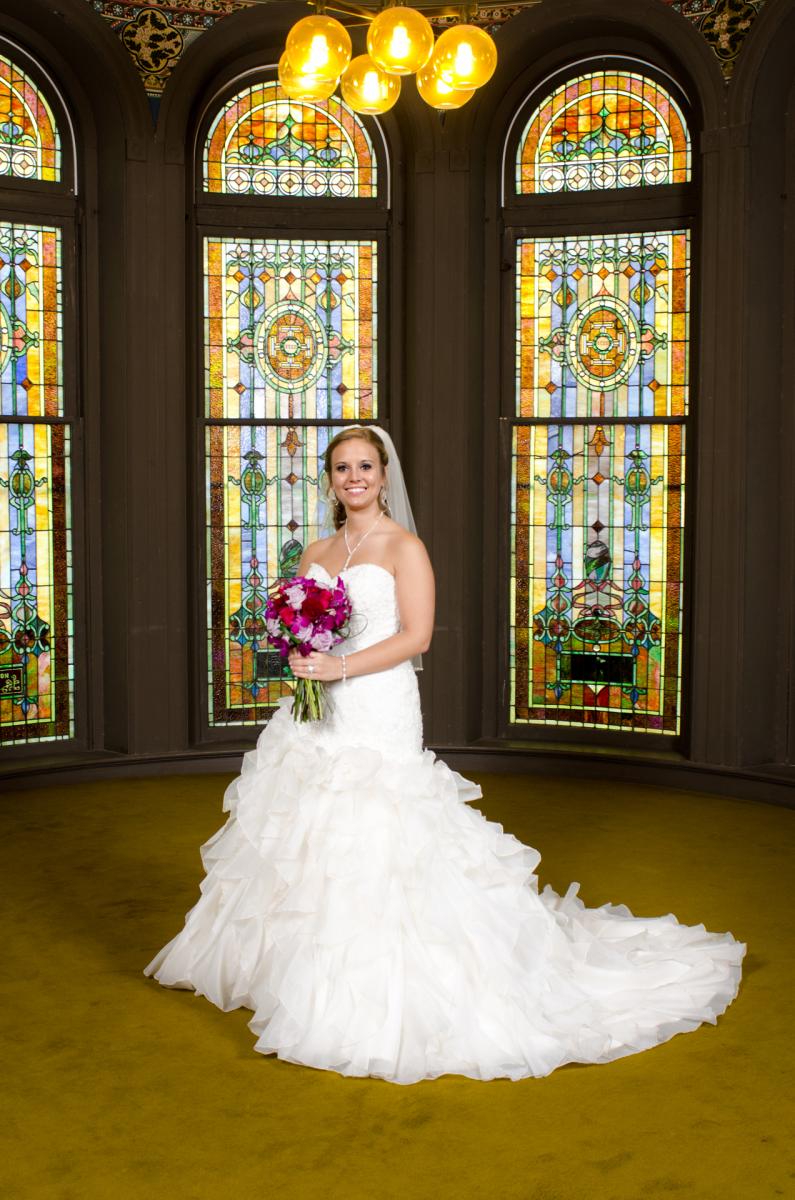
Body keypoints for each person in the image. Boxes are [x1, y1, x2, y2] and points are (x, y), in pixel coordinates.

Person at [144, 424, 745, 1084]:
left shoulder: (405, 547)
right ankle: (296, 969)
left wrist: (338, 665)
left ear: (382, 474)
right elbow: (298, 624)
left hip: (375, 703)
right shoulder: (316, 548)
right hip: (318, 708)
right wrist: (302, 656)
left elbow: (416, 636)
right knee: (307, 823)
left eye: (365, 466)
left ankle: (374, 989)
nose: (354, 478)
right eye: (342, 467)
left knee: (378, 826)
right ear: (329, 478)